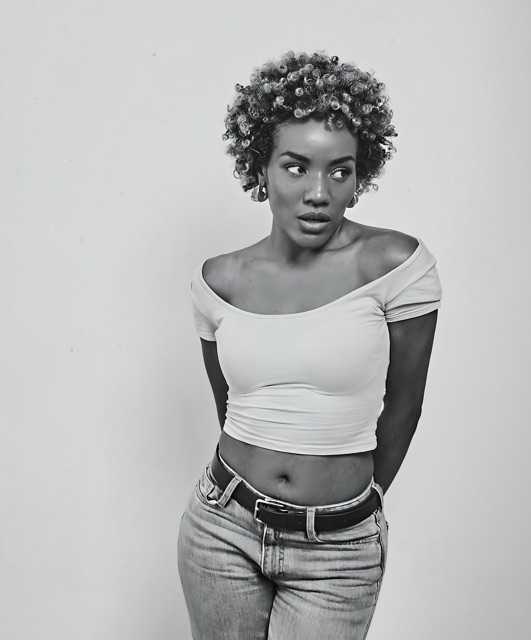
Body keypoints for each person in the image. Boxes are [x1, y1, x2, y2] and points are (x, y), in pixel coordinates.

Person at [177, 50, 442, 639]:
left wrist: (350, 507)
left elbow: (405, 405)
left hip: (337, 552)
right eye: (296, 167)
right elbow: (229, 405)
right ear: (261, 167)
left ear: (360, 175)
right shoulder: (217, 281)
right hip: (222, 528)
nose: (319, 192)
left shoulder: (396, 265)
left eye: (339, 171)